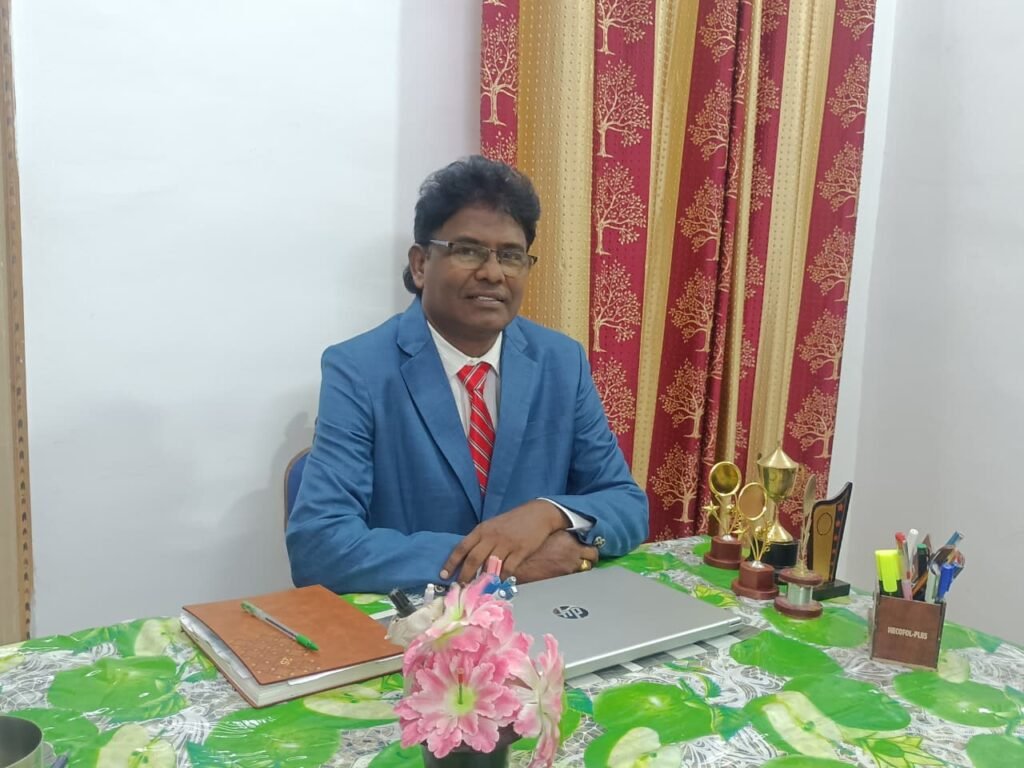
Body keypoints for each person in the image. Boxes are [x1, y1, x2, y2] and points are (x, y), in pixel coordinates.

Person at [286, 156, 648, 595]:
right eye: (468, 250)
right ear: (420, 265)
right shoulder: (359, 369)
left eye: (511, 256)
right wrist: (497, 564)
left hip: (547, 615)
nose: (493, 273)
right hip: (422, 622)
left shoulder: (560, 361)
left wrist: (547, 513)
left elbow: (627, 504)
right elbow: (319, 545)